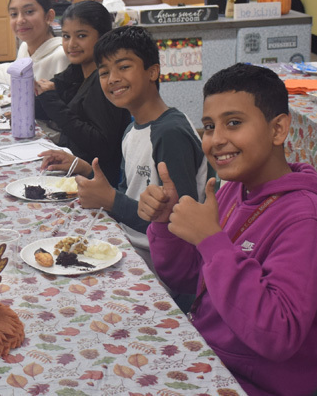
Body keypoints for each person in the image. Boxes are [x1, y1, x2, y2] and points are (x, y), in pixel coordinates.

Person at [138, 64, 317, 396]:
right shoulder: (235, 189)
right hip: (210, 356)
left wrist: (212, 241)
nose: (216, 140)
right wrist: (166, 225)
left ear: (278, 129)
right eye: (208, 126)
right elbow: (189, 279)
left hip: (254, 383)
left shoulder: (307, 221)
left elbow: (278, 335)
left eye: (233, 123)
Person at [38, 26, 208, 267]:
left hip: (162, 262)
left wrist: (110, 201)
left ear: (153, 72)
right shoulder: (133, 129)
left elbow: (181, 224)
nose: (113, 78)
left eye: (124, 67)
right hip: (128, 242)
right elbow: (127, 193)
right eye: (104, 72)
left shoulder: (170, 134)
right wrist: (85, 169)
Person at [34, 0, 131, 186]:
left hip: (97, 181)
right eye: (65, 36)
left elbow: (100, 145)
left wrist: (52, 101)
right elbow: (45, 107)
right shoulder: (78, 71)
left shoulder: (103, 81)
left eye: (81, 36)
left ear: (102, 36)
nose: (71, 44)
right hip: (71, 167)